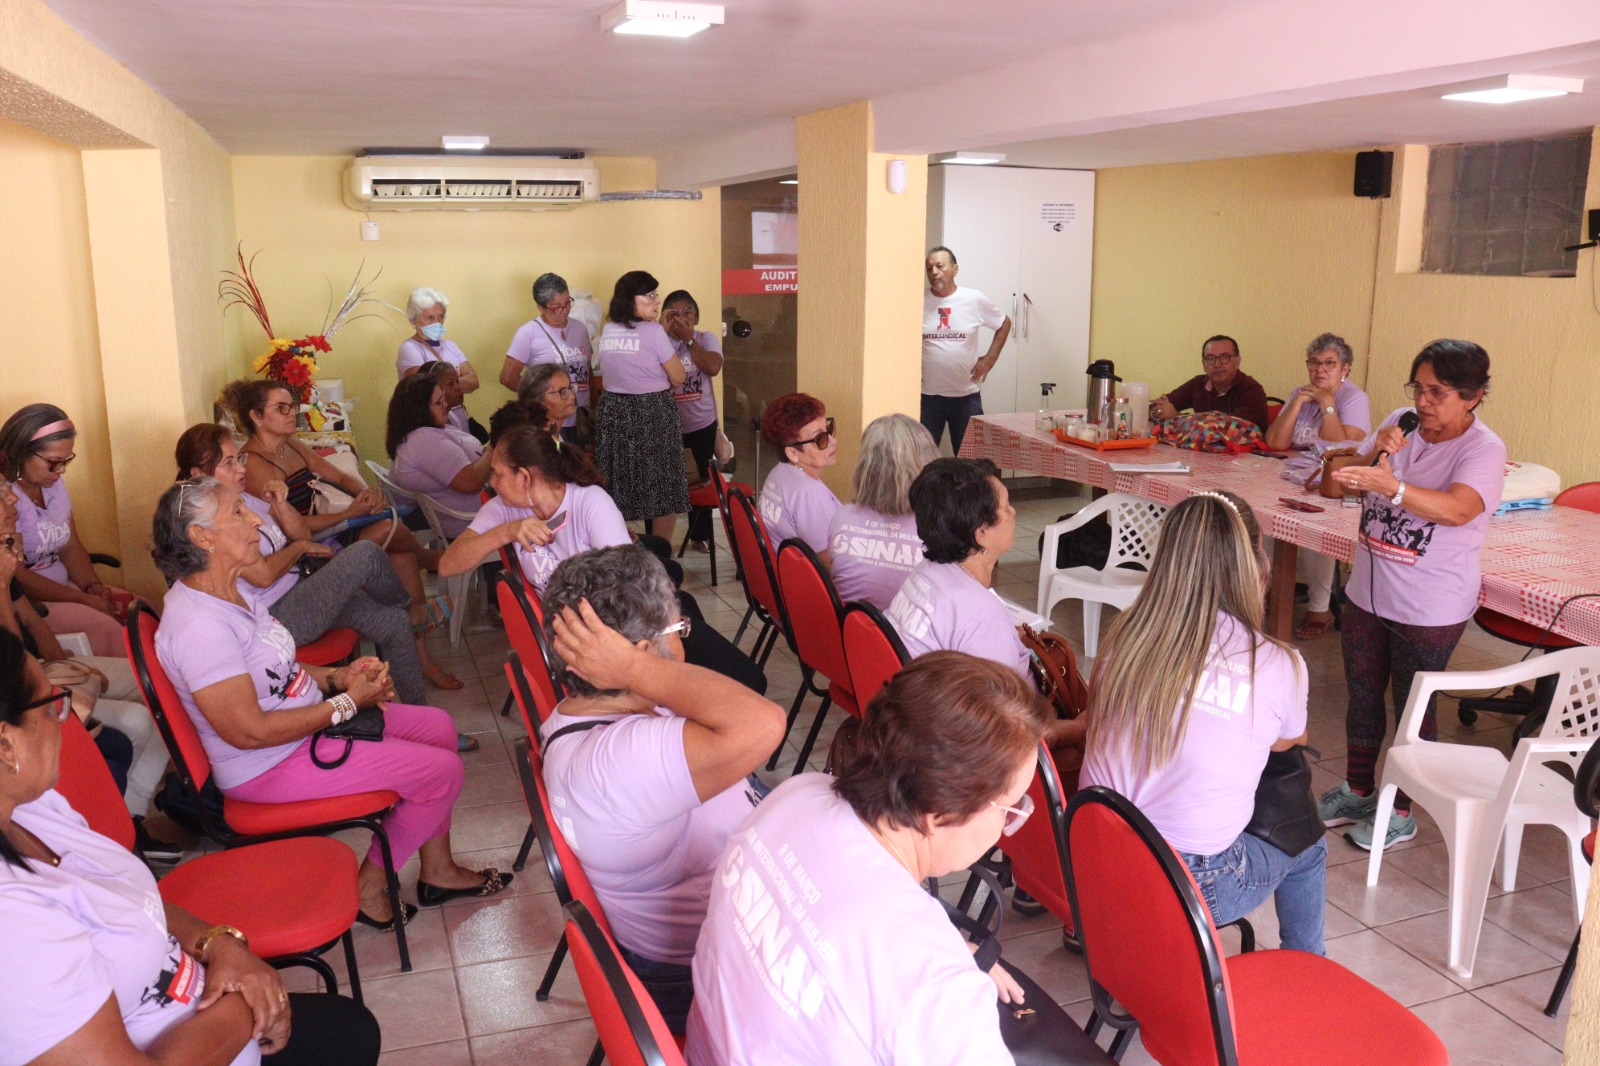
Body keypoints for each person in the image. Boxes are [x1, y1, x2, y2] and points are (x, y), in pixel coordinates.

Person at [0, 628, 382, 1066]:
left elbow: (131, 900)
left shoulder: (31, 807)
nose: (62, 719)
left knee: (351, 1030)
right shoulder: (11, 925)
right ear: (6, 745)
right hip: (219, 1030)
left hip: (208, 1010)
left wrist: (219, 945)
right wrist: (245, 1008)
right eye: (51, 705)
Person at [150, 477, 511, 927]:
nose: (255, 520)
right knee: (442, 772)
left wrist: (338, 677)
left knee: (437, 726)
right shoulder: (199, 627)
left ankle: (437, 871)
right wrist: (346, 704)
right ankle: (369, 888)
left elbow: (276, 669)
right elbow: (249, 732)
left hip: (300, 732)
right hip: (268, 765)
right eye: (238, 513)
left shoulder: (228, 590)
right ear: (202, 537)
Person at [686, 652, 1049, 1065]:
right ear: (941, 813)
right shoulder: (936, 984)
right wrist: (942, 968)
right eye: (1010, 808)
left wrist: (942, 954)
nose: (1007, 825)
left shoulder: (797, 794)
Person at [541, 545, 785, 1032]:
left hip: (725, 927)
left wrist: (637, 673)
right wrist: (636, 670)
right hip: (701, 974)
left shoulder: (595, 716)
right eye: (678, 631)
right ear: (632, 656)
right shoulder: (618, 759)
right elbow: (765, 723)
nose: (684, 644)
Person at [1080, 491, 1327, 955]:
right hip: (1191, 881)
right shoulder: (1278, 662)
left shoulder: (1125, 635)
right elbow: (1290, 739)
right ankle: (1309, 967)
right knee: (1307, 844)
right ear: (1254, 566)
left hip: (1099, 855)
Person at [1320, 339, 1505, 849]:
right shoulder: (1400, 423)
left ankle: (1400, 810)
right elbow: (1344, 483)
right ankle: (1358, 791)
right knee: (1362, 694)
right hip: (1367, 591)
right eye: (1418, 388)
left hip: (1430, 605)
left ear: (1473, 396)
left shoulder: (1483, 449)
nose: (1422, 402)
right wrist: (1371, 455)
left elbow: (1459, 509)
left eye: (1437, 392)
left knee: (1412, 707)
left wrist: (1393, 488)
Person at [441, 427, 764, 693]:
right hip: (590, 639)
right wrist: (506, 532)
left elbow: (629, 588)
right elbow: (448, 564)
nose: (492, 482)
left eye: (498, 474)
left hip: (621, 623)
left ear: (525, 477)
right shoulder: (503, 509)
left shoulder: (589, 502)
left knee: (741, 677)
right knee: (707, 672)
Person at [176, 422, 452, 713]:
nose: (241, 468)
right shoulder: (206, 525)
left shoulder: (242, 499)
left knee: (393, 623)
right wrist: (299, 549)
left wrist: (281, 505)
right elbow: (263, 575)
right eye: (229, 463)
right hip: (276, 616)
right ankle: (414, 612)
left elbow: (302, 533)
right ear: (198, 473)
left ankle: (419, 716)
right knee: (364, 555)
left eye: (239, 459)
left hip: (300, 591)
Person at [224, 379, 462, 690]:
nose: (292, 414)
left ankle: (422, 649)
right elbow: (293, 526)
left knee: (402, 556)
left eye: (292, 407)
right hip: (311, 547)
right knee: (388, 531)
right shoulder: (255, 465)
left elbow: (336, 474)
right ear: (256, 416)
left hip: (327, 530)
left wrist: (364, 494)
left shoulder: (290, 445)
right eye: (281, 409)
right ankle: (429, 565)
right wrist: (349, 514)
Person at [0, 474, 167, 829]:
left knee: (162, 684)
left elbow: (33, 623)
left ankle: (131, 816)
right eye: (2, 492)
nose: (13, 499)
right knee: (135, 725)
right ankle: (121, 824)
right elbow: (10, 669)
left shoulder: (4, 554)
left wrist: (72, 670)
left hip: (40, 671)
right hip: (20, 694)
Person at [0, 405, 136, 657]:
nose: (61, 470)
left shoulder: (54, 485)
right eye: (53, 462)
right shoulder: (6, 500)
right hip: (35, 601)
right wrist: (82, 599)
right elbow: (17, 576)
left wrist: (92, 586)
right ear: (21, 453)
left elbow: (70, 545)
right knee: (109, 626)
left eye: (66, 461)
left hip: (67, 588)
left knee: (139, 610)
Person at [1263, 332, 1372, 639]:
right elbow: (1275, 442)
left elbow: (1342, 446)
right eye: (1314, 362)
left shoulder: (1354, 398)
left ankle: (1319, 609)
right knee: (1264, 520)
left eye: (1329, 363)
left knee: (1315, 529)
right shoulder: (1301, 392)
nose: (1320, 369)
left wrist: (1327, 404)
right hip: (1295, 475)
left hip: (1333, 480)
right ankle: (1268, 591)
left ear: (1345, 368)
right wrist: (1297, 402)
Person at [885, 457, 1029, 677]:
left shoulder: (926, 571)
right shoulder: (984, 617)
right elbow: (1004, 697)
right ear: (981, 533)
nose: (1013, 512)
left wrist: (1005, 638)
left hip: (905, 691)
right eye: (1006, 506)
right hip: (950, 699)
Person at [592, 271, 689, 538]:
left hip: (614, 413)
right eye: (649, 296)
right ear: (630, 300)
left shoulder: (608, 329)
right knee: (662, 487)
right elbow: (679, 377)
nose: (657, 301)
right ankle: (660, 553)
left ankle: (620, 545)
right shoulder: (654, 332)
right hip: (652, 412)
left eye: (656, 294)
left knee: (618, 483)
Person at [826, 414, 937, 610]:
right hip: (904, 629)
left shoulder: (841, 516)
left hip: (848, 625)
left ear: (866, 467)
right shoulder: (936, 530)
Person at [921, 246, 1011, 456]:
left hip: (966, 397)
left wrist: (990, 359)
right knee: (921, 460)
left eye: (940, 266)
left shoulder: (973, 299)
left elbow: (1004, 323)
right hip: (928, 397)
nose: (934, 272)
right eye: (929, 268)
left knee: (970, 461)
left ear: (955, 269)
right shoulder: (919, 300)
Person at [385, 372, 491, 537]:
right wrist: (493, 449)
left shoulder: (420, 432)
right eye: (438, 402)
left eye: (443, 398)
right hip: (472, 523)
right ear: (419, 410)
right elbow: (471, 482)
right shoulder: (425, 441)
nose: (446, 404)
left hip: (474, 515)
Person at [662, 290, 724, 551]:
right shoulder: (658, 342)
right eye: (674, 313)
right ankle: (661, 540)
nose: (682, 318)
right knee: (667, 483)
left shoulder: (705, 338)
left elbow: (713, 367)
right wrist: (662, 333)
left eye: (687, 312)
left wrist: (689, 340)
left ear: (696, 317)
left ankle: (700, 536)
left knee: (702, 482)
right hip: (667, 426)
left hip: (702, 424)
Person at [503, 273, 594, 444]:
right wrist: (541, 400)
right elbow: (507, 377)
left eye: (567, 302)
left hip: (581, 418)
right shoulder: (528, 333)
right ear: (540, 307)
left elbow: (587, 369)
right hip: (550, 420)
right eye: (557, 307)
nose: (565, 310)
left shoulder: (580, 328)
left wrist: (593, 405)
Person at [756, 392, 840, 560]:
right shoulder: (809, 493)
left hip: (783, 568)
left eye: (829, 430)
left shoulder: (778, 473)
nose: (833, 441)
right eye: (820, 438)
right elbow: (829, 561)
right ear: (793, 453)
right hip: (800, 574)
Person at [396, 286, 481, 437]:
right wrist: (457, 382)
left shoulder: (450, 346)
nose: (437, 323)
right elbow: (424, 389)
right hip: (430, 424)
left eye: (441, 317)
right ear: (413, 320)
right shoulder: (410, 348)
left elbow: (474, 381)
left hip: (459, 420)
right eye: (430, 318)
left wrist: (445, 384)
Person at [1151, 335, 1270, 431]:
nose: (1217, 364)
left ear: (1238, 361)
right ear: (1204, 364)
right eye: (1211, 359)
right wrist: (1158, 409)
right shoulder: (1198, 384)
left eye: (1225, 357)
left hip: (1245, 452)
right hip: (1202, 450)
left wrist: (1177, 418)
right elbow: (1162, 405)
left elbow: (1229, 430)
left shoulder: (1251, 390)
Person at [517, 363, 580, 436]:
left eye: (570, 387)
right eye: (562, 392)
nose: (572, 396)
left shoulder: (554, 436)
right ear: (536, 401)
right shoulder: (534, 440)